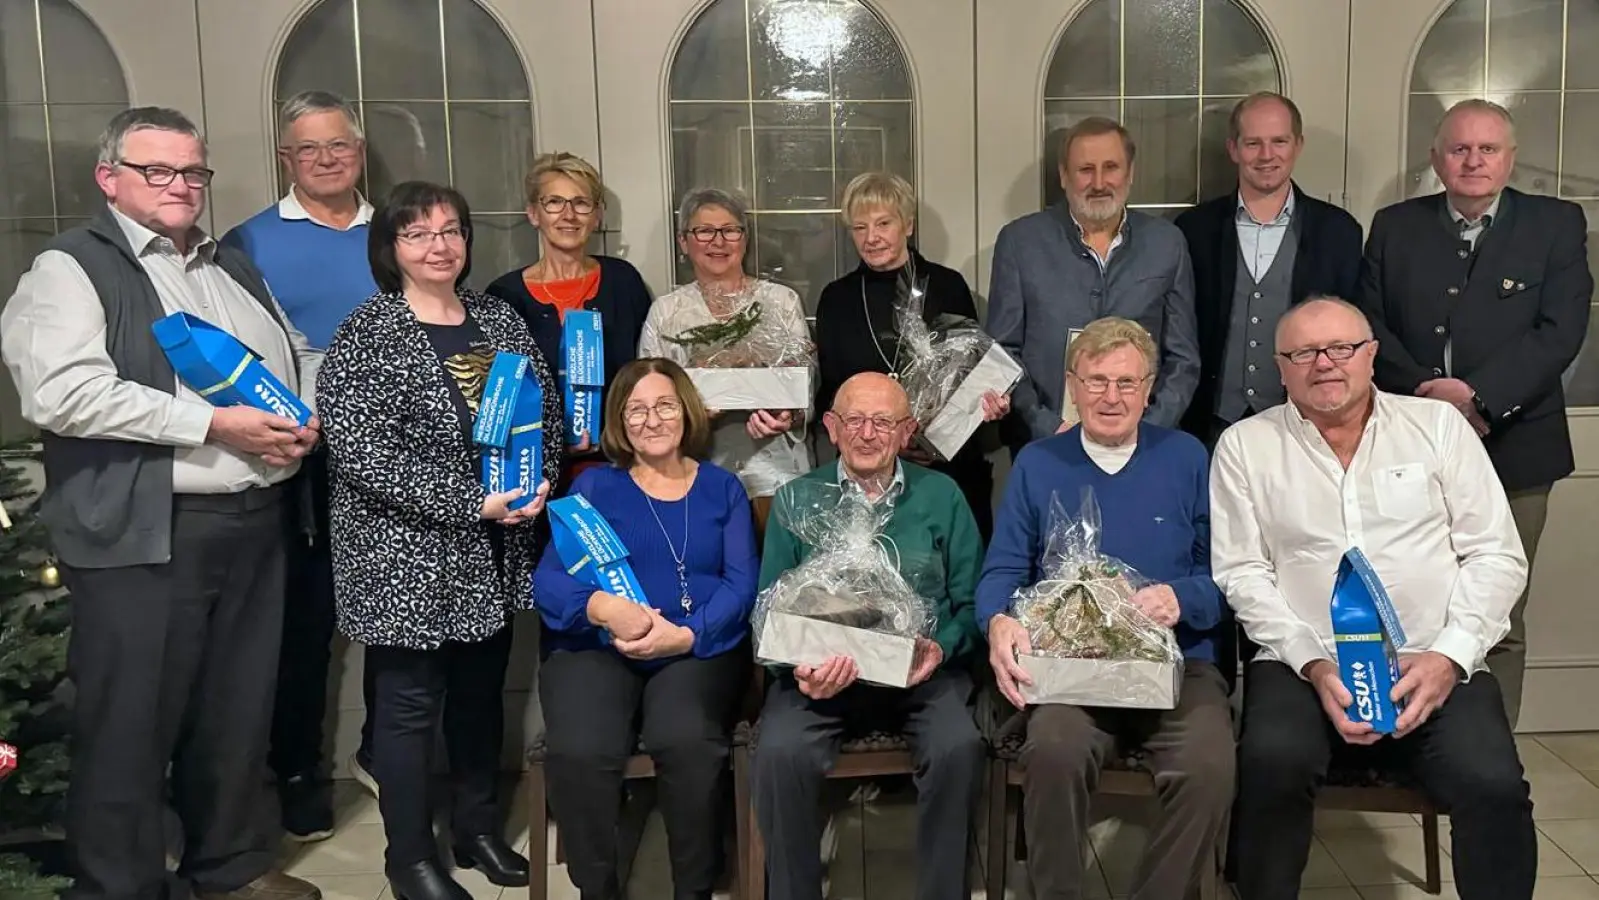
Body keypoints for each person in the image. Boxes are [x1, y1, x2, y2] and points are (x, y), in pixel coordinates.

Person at [0, 107, 321, 900]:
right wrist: (212, 423)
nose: (181, 187)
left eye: (193, 172)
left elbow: (293, 350)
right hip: (147, 531)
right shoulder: (69, 268)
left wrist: (304, 412)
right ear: (110, 178)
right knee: (130, 725)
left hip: (251, 523)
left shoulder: (228, 264)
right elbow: (62, 392)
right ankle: (120, 886)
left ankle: (231, 868)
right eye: (158, 171)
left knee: (236, 713)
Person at [1212, 296, 1534, 900]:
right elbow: (1242, 571)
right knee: (1271, 766)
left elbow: (1496, 554)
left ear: (1371, 355)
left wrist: (1450, 656)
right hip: (1306, 663)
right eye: (1304, 353)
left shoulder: (1437, 428)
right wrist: (1310, 659)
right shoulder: (1245, 445)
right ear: (1280, 368)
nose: (1325, 364)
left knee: (1493, 784)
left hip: (1433, 657)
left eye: (1341, 348)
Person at [317, 181, 563, 900]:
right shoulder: (368, 332)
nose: (438, 246)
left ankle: (477, 830)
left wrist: (537, 483)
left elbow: (541, 414)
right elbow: (361, 453)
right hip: (405, 557)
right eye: (418, 233)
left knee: (481, 698)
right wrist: (467, 501)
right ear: (389, 249)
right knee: (408, 709)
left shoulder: (497, 320)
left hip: (492, 551)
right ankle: (409, 859)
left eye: (451, 230)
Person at [1354, 98, 1592, 730]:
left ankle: (1490, 746)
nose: (1473, 161)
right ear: (1437, 160)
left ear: (1511, 159)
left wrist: (1478, 399)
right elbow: (1370, 324)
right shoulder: (1394, 226)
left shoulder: (1556, 224)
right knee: (1409, 601)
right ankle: (1409, 734)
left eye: (1488, 149)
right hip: (1411, 447)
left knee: (1500, 614)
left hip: (1517, 446)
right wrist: (1434, 396)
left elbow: (1561, 329)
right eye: (1459, 149)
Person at [978, 316, 1232, 900]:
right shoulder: (1039, 464)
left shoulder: (1189, 457)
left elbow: (1228, 574)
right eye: (1095, 381)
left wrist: (1182, 597)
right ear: (1072, 384)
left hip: (1177, 664)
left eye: (1126, 382)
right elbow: (1002, 571)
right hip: (1070, 669)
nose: (1110, 397)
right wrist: (999, 620)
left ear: (1150, 388)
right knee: (1054, 752)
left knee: (1209, 768)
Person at [753, 372, 985, 900]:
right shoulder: (796, 499)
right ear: (831, 427)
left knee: (959, 747)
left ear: (907, 432)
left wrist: (939, 646)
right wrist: (797, 669)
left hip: (920, 676)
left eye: (883, 421)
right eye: (854, 419)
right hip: (819, 681)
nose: (867, 433)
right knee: (779, 753)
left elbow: (973, 605)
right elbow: (767, 614)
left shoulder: (943, 496)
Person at [533, 358, 758, 900]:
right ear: (619, 420)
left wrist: (687, 634)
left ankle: (695, 888)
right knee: (582, 747)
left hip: (693, 648)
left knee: (685, 739)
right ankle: (597, 888)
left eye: (663, 405)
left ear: (686, 412)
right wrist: (603, 610)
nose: (651, 419)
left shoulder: (722, 488)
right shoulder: (594, 488)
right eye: (636, 409)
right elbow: (549, 582)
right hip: (597, 646)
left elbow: (741, 584)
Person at [220, 88, 377, 839]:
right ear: (286, 159)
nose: (324, 159)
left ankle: (387, 752)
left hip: (390, 452)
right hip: (298, 460)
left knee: (400, 610)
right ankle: (298, 771)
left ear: (359, 152)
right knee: (305, 626)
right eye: (308, 149)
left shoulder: (397, 233)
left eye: (337, 146)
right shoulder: (246, 243)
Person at [814, 171, 1008, 541]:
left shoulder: (948, 286)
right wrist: (890, 440)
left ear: (908, 225)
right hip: (868, 471)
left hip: (947, 466)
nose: (871, 238)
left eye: (883, 223)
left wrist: (975, 413)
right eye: (859, 227)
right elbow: (831, 390)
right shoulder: (836, 298)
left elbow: (972, 372)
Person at [987, 116, 1199, 446]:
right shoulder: (1020, 242)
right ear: (1063, 175)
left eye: (1111, 167)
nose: (1099, 182)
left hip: (1143, 443)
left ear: (1130, 173)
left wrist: (1149, 428)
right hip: (1046, 443)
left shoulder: (1167, 243)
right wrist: (1045, 425)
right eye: (1085, 169)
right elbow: (1002, 352)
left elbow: (1183, 359)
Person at [1174, 92, 1364, 448]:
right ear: (1233, 149)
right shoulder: (1193, 230)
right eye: (1253, 143)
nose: (1266, 155)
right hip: (1210, 425)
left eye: (1279, 141)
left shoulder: (1339, 232)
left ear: (1298, 145)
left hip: (1307, 426)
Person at [639, 188, 812, 537]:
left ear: (744, 240)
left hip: (776, 472)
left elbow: (806, 385)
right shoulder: (666, 312)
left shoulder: (780, 303)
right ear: (684, 242)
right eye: (704, 231)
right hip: (692, 473)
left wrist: (786, 415)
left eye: (730, 230)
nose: (718, 241)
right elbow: (646, 396)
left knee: (782, 578)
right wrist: (688, 413)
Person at [486, 151, 653, 483]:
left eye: (581, 203)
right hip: (535, 474)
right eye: (554, 202)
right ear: (533, 213)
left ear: (597, 216)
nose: (568, 215)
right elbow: (501, 398)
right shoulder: (504, 296)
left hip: (623, 465)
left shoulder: (623, 281)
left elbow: (648, 369)